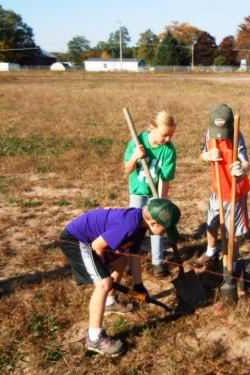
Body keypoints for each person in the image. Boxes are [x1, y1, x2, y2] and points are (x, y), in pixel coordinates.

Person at [58, 198, 181, 356]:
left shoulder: (140, 226)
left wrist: (138, 285)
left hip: (93, 241)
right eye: (165, 230)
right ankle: (94, 338)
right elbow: (97, 246)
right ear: (155, 223)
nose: (165, 234)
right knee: (104, 283)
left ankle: (110, 302)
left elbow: (134, 255)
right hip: (76, 240)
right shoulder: (129, 224)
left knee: (122, 260)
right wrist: (102, 274)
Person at [193, 103, 250, 268]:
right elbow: (201, 155)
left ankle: (231, 261)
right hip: (217, 189)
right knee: (211, 224)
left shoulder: (236, 136)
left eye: (222, 133)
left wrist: (242, 169)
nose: (219, 137)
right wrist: (207, 156)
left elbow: (247, 163)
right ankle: (211, 251)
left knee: (234, 232)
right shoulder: (210, 134)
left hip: (235, 192)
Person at [124, 110, 177, 278]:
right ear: (151, 128)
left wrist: (160, 202)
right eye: (165, 135)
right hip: (138, 190)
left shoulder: (168, 150)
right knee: (134, 226)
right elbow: (127, 169)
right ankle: (130, 260)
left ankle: (158, 262)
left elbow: (164, 178)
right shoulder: (137, 142)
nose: (168, 139)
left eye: (171, 135)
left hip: (156, 191)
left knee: (157, 225)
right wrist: (135, 157)